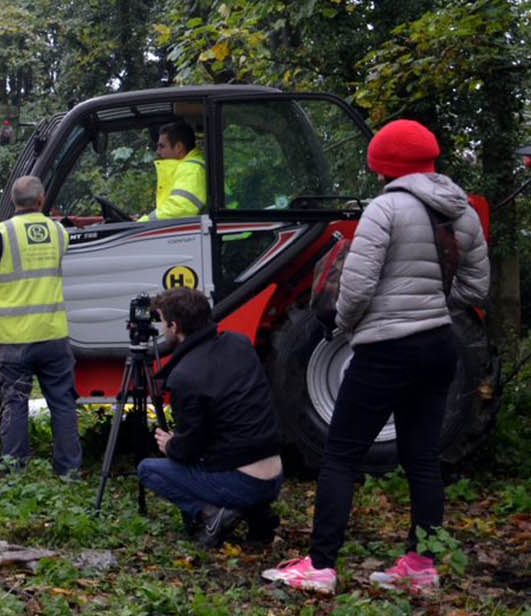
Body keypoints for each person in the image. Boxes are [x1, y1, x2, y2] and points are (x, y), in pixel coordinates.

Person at [262, 119, 489, 595]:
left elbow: (357, 287)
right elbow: (474, 287)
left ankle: (321, 566)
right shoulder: (462, 211)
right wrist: (428, 305)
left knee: (341, 455)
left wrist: (343, 327)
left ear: (383, 166)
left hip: (386, 347)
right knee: (423, 458)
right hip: (438, 345)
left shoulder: (385, 209)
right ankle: (422, 565)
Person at [0, 176, 82, 478]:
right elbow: (36, 252)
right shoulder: (59, 232)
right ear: (42, 199)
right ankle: (69, 471)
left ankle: (14, 469)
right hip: (53, 336)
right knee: (62, 403)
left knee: (15, 404)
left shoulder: (0, 234)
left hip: (16, 340)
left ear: (13, 201)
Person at [135, 288, 283, 548]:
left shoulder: (184, 376)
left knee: (148, 470)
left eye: (163, 323)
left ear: (175, 326)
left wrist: (170, 444)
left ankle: (213, 514)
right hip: (275, 475)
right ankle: (254, 512)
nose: (162, 330)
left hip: (243, 481)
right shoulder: (239, 343)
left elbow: (190, 449)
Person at [139, 120, 207, 221]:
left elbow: (180, 208)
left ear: (179, 147)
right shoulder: (188, 166)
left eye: (162, 146)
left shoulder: (191, 169)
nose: (158, 152)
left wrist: (144, 222)